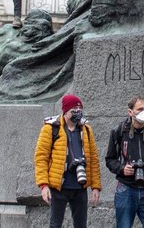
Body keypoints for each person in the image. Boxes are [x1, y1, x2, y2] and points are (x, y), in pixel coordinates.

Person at [33, 94, 102, 228]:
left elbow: (94, 159)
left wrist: (95, 187)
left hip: (80, 187)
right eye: (74, 110)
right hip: (59, 187)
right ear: (65, 111)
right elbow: (41, 157)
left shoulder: (86, 129)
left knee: (81, 225)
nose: (77, 113)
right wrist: (43, 185)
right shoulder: (51, 128)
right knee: (55, 224)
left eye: (80, 109)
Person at [105, 96, 144, 228]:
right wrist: (122, 168)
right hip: (126, 189)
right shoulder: (119, 131)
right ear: (130, 112)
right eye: (140, 109)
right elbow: (110, 160)